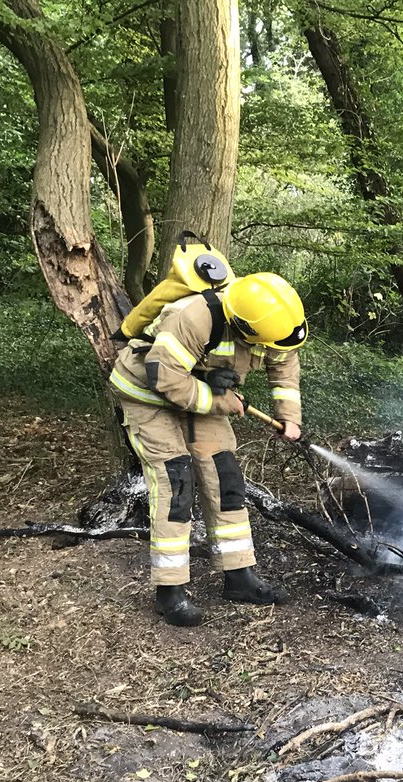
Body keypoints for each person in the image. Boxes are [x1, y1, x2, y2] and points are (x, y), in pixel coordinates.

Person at [109, 235, 307, 626]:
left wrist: (290, 416)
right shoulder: (192, 317)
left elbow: (283, 366)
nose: (270, 350)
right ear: (242, 326)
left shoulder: (274, 320)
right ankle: (170, 590)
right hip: (148, 395)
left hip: (200, 389)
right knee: (176, 482)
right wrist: (218, 400)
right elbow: (164, 381)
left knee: (225, 477)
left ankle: (239, 576)